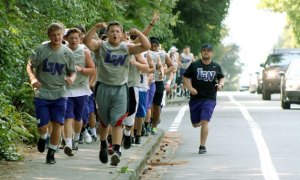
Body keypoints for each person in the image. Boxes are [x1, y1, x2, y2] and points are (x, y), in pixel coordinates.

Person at [83, 21, 150, 166]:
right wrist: (95, 27)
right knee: (104, 122)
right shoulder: (101, 46)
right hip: (103, 87)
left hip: (120, 88)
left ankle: (117, 150)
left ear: (122, 34)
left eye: (117, 31)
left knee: (118, 121)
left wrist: (138, 33)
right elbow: (86, 41)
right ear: (107, 34)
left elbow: (146, 46)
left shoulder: (127, 48)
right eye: (112, 31)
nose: (114, 34)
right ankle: (102, 145)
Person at [26, 23, 76, 164]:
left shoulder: (67, 53)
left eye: (59, 34)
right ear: (49, 36)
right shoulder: (41, 50)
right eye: (53, 35)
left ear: (62, 35)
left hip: (60, 93)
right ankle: (42, 137)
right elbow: (30, 65)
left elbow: (73, 70)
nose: (56, 37)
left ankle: (51, 153)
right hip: (42, 93)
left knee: (57, 124)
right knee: (42, 126)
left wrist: (71, 78)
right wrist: (33, 78)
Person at [183, 43, 225, 154]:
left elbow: (221, 78)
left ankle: (202, 146)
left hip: (210, 98)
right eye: (204, 50)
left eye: (208, 50)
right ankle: (200, 121)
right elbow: (185, 77)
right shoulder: (194, 65)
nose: (206, 52)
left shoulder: (216, 66)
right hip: (196, 98)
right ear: (201, 52)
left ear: (212, 53)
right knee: (195, 124)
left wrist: (220, 85)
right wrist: (190, 88)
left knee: (205, 121)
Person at [63, 28, 95, 156]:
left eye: (76, 38)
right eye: (71, 38)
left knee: (78, 118)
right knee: (67, 116)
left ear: (80, 38)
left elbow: (93, 70)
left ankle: (76, 138)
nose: (74, 40)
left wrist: (81, 69)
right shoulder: (62, 51)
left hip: (81, 89)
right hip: (66, 89)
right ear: (67, 39)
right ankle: (68, 143)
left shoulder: (85, 52)